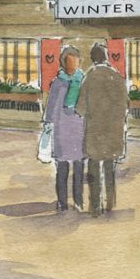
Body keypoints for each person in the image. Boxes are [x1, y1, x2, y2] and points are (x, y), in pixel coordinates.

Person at [76, 43, 128, 216]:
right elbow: (125, 105)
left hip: (95, 131)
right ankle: (110, 203)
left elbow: (80, 108)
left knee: (93, 169)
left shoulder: (90, 77)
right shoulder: (117, 77)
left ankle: (95, 206)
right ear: (106, 57)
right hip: (113, 131)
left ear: (93, 58)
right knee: (109, 167)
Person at [44, 46, 85, 212]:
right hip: (61, 130)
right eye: (70, 62)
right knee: (62, 168)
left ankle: (78, 201)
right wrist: (48, 123)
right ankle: (62, 201)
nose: (73, 65)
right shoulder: (58, 82)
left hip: (79, 129)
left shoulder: (82, 81)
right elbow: (50, 107)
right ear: (63, 63)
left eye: (75, 61)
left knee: (78, 167)